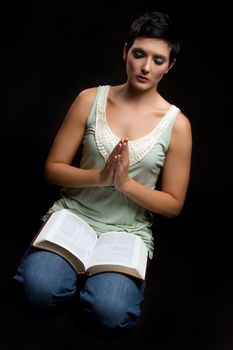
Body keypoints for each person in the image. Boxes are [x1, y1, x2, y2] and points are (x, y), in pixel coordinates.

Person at [13, 10, 192, 335]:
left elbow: (173, 204)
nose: (145, 67)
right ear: (126, 51)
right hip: (75, 217)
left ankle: (96, 282)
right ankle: (67, 272)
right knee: (36, 291)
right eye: (139, 54)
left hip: (126, 232)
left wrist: (123, 184)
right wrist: (100, 177)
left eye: (158, 60)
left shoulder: (177, 125)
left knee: (110, 314)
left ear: (170, 66)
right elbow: (52, 170)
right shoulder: (89, 99)